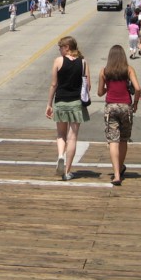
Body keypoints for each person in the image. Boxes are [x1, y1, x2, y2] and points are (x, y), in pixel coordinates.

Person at [45, 36, 90, 181]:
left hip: (61, 101)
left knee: (60, 134)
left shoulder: (58, 61)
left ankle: (60, 156)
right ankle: (68, 171)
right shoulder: (83, 63)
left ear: (67, 48)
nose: (59, 50)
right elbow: (88, 86)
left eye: (60, 47)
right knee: (72, 138)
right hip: (76, 103)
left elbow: (53, 84)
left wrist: (49, 104)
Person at [97, 45, 141, 185]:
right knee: (123, 139)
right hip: (126, 107)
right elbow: (138, 88)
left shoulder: (104, 71)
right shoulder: (128, 69)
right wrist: (136, 103)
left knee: (113, 141)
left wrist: (108, 88)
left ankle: (116, 174)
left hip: (111, 107)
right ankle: (120, 167)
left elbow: (99, 92)